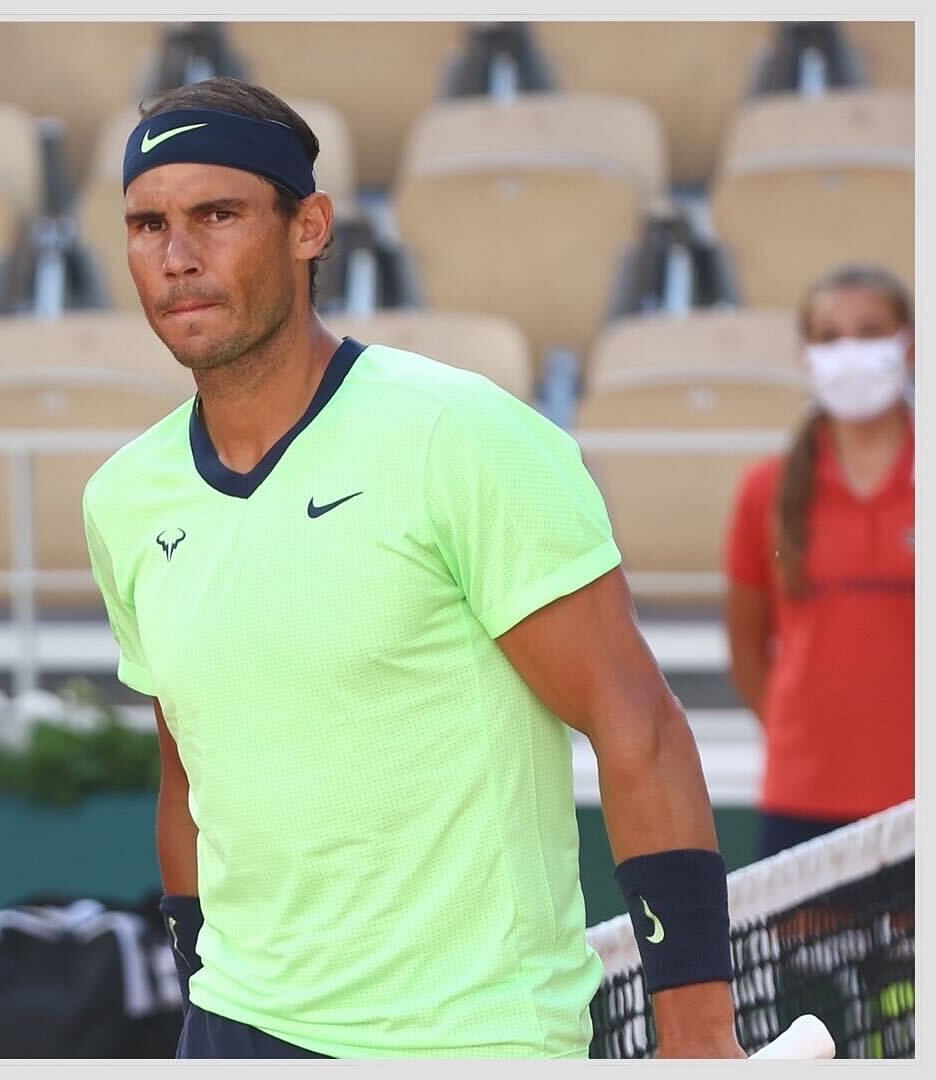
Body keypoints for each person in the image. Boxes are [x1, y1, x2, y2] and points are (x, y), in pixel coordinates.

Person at [81, 78, 745, 1059]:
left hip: (465, 1041)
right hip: (231, 1028)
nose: (178, 257)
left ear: (309, 227)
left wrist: (697, 1032)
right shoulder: (122, 497)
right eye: (147, 225)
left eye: (217, 216)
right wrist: (198, 985)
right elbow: (190, 767)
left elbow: (635, 722)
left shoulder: (462, 436)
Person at [724, 265, 914, 860]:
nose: (850, 351)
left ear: (910, 342)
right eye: (830, 337)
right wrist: (799, 737)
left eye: (870, 331)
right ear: (806, 354)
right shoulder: (767, 490)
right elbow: (747, 647)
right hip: (802, 797)